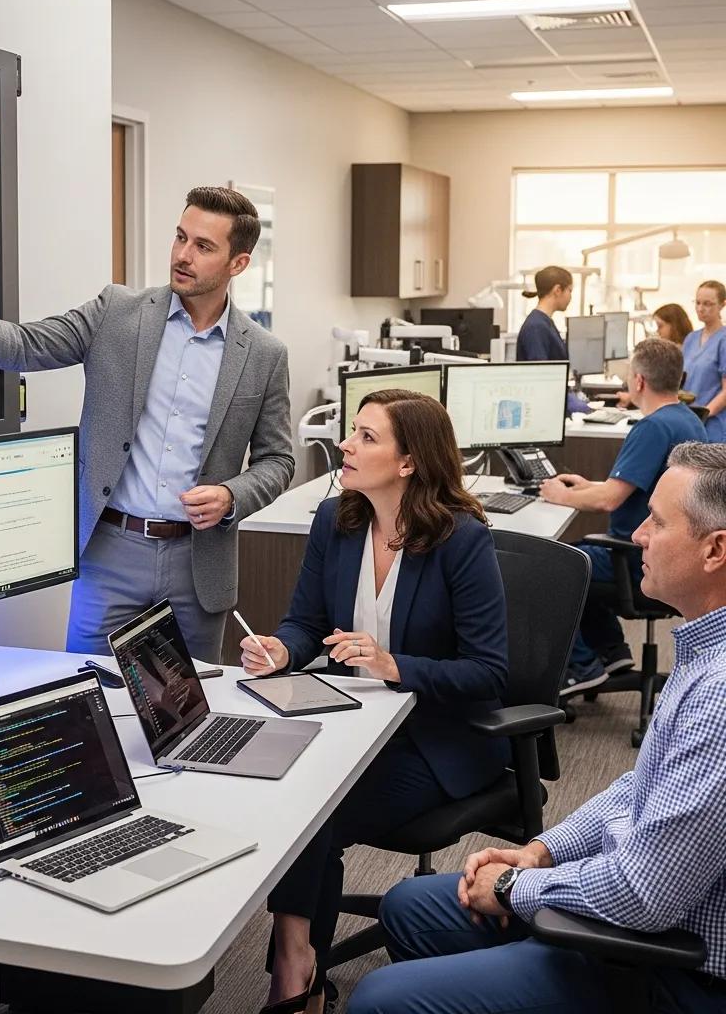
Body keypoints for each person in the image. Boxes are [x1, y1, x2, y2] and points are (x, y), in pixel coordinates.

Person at [347, 441, 726, 1014]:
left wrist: (511, 889)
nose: (639, 535)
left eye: (658, 522)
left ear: (715, 550)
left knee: (378, 998)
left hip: (667, 962)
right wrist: (544, 851)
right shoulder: (701, 646)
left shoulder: (718, 694)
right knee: (407, 907)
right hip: (640, 920)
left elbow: (643, 895)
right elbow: (641, 789)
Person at [0, 187, 294, 662]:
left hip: (199, 562)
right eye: (181, 237)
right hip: (109, 552)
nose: (183, 255)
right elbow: (24, 345)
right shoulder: (116, 312)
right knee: (89, 700)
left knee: (189, 711)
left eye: (204, 247)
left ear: (238, 264)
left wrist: (232, 495)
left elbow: (279, 460)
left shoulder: (265, 355)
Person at [238, 389, 509, 1014]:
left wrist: (394, 666)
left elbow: (489, 673)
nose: (345, 446)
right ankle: (298, 957)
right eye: (350, 433)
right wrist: (282, 648)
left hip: (433, 739)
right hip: (349, 721)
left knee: (313, 813)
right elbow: (307, 622)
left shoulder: (460, 540)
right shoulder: (338, 521)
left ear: (409, 461)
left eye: (365, 437)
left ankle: (294, 973)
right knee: (281, 788)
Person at [539, 337, 707, 695]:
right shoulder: (687, 420)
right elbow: (633, 485)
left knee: (555, 565)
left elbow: (610, 501)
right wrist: (587, 485)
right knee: (578, 549)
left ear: (639, 381)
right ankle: (612, 652)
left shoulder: (652, 427)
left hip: (637, 556)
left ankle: (581, 666)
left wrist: (561, 495)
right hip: (674, 550)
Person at [615, 303, 692, 407]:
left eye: (660, 326)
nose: (658, 331)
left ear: (674, 325)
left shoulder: (677, 356)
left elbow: (662, 393)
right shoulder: (678, 352)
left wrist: (631, 397)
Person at [682, 280, 726, 442]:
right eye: (698, 303)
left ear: (722, 305)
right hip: (690, 420)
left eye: (708, 304)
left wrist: (704, 414)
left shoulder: (723, 340)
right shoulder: (691, 339)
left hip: (713, 423)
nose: (701, 309)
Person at [515, 266, 572, 362]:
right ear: (557, 290)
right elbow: (540, 372)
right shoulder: (536, 327)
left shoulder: (544, 323)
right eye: (570, 291)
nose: (570, 297)